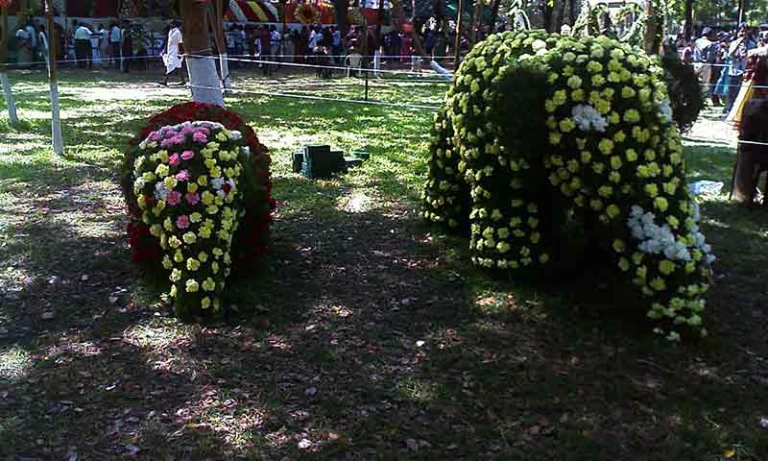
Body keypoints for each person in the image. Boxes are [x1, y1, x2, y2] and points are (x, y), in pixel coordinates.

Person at [163, 21, 185, 86]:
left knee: (170, 65)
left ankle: (165, 81)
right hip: (170, 50)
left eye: (172, 23)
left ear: (175, 24)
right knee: (178, 65)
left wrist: (180, 53)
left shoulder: (178, 32)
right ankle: (183, 80)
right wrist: (165, 49)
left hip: (176, 50)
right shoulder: (170, 31)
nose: (170, 25)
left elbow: (180, 43)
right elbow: (168, 41)